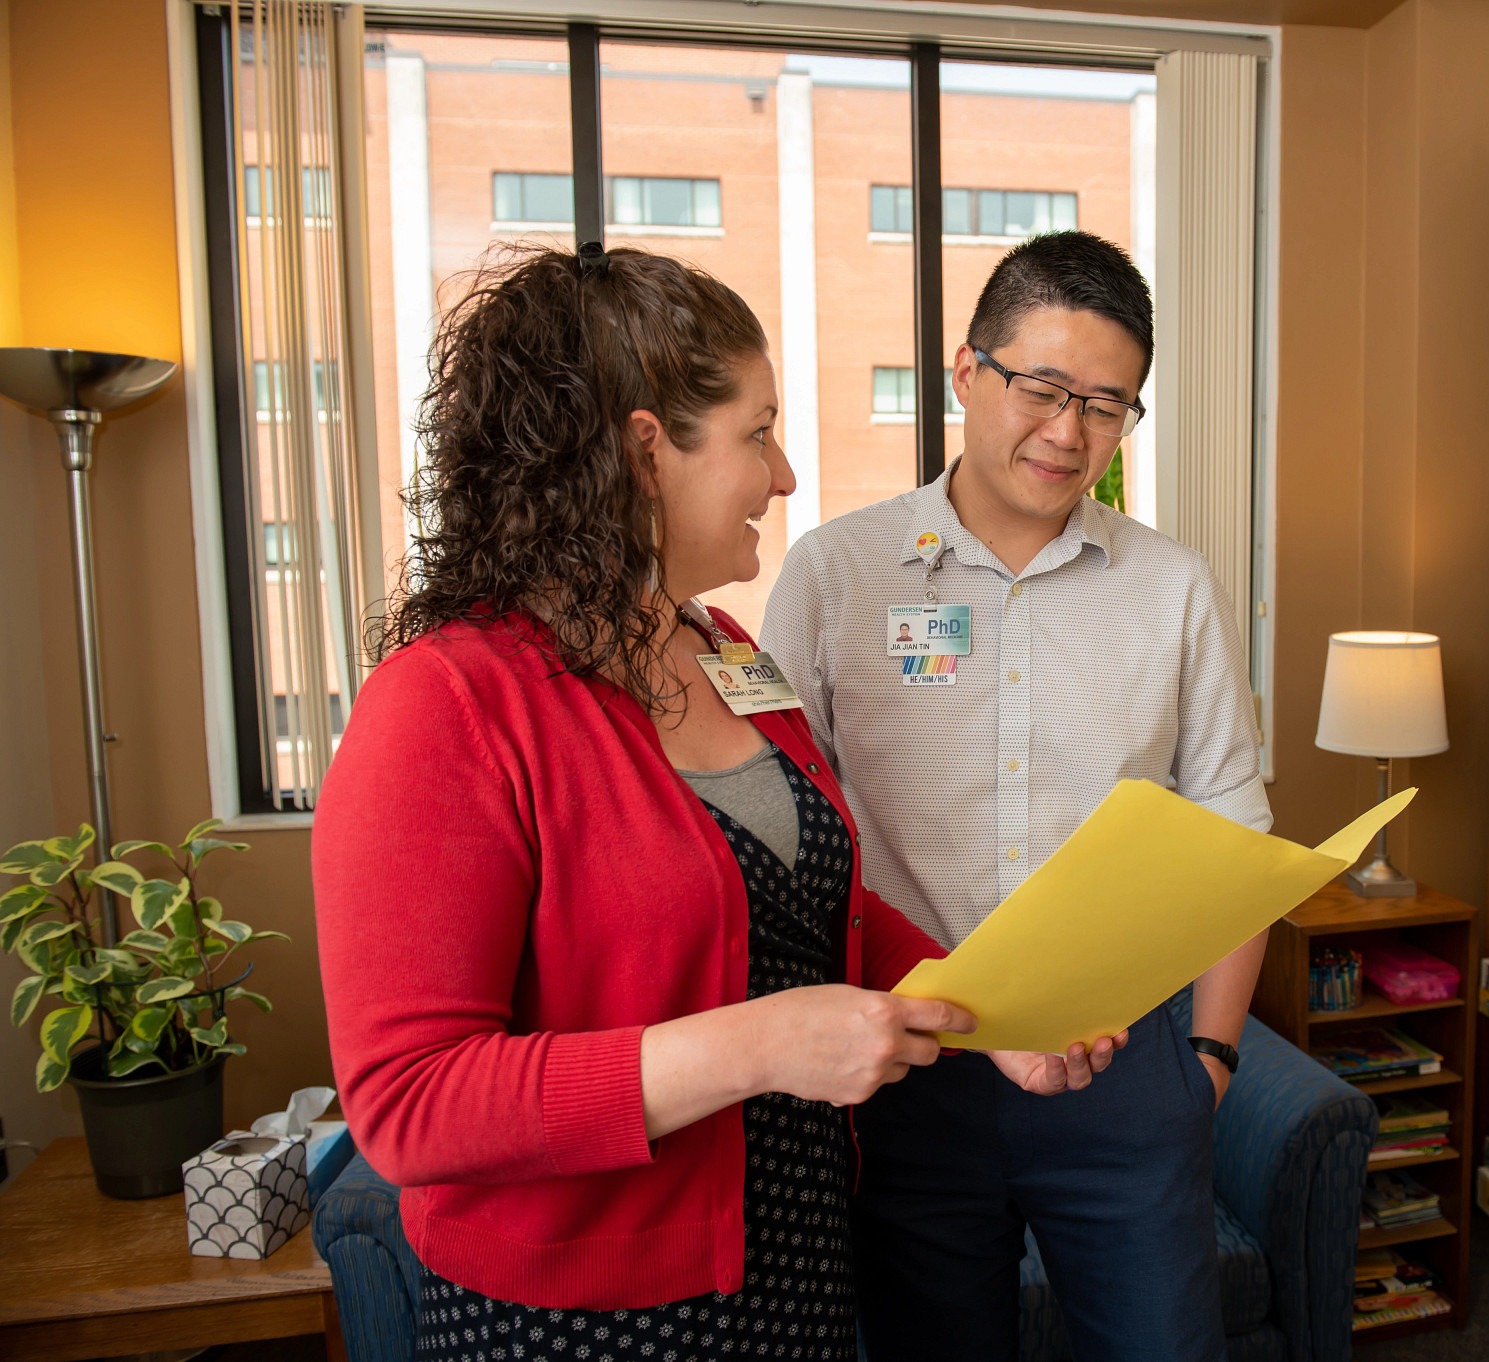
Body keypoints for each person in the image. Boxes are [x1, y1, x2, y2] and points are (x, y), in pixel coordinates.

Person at [312, 245, 1115, 1362]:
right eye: (757, 432)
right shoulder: (446, 705)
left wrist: (991, 1024)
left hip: (791, 1259)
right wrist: (757, 1046)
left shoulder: (724, 647)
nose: (784, 475)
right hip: (582, 1317)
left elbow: (812, 901)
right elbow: (409, 1104)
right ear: (647, 452)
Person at [762, 230, 1270, 1362]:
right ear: (963, 369)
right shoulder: (836, 573)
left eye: (1106, 404)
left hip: (1121, 1071)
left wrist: (1208, 1067)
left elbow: (1235, 838)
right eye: (1039, 387)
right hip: (902, 1073)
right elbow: (781, 829)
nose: (1066, 432)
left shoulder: (1172, 587)